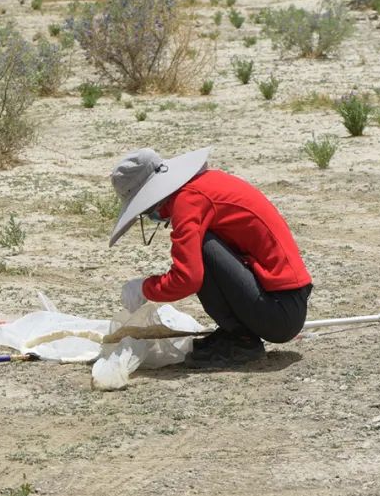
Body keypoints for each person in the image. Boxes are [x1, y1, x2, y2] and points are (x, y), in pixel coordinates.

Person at [109, 147, 312, 369]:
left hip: (279, 313)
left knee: (203, 246)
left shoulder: (188, 200)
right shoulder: (203, 185)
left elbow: (188, 278)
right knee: (203, 245)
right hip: (285, 305)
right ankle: (235, 335)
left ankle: (242, 341)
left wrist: (144, 288)